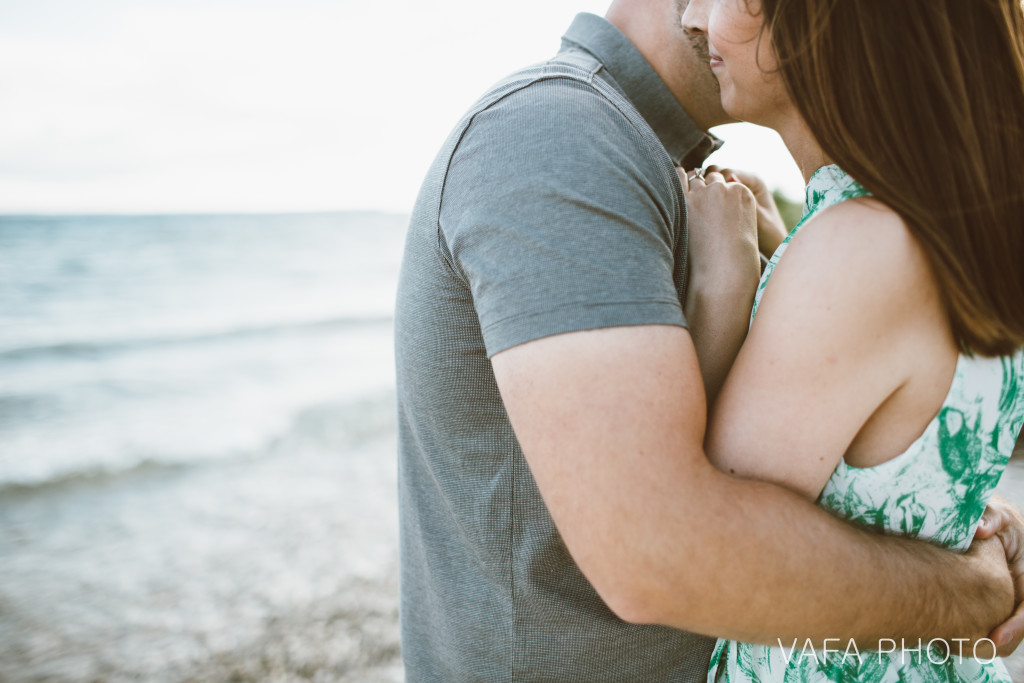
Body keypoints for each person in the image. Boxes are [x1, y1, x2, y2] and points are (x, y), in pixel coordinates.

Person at [394, 0, 1024, 680]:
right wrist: (968, 586)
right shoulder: (558, 134)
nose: (701, 14)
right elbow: (667, 548)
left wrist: (943, 517)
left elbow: (773, 484)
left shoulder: (842, 228)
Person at [677, 0, 1024, 680]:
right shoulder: (944, 234)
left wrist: (722, 285)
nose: (693, 17)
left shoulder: (861, 247)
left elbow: (708, 534)